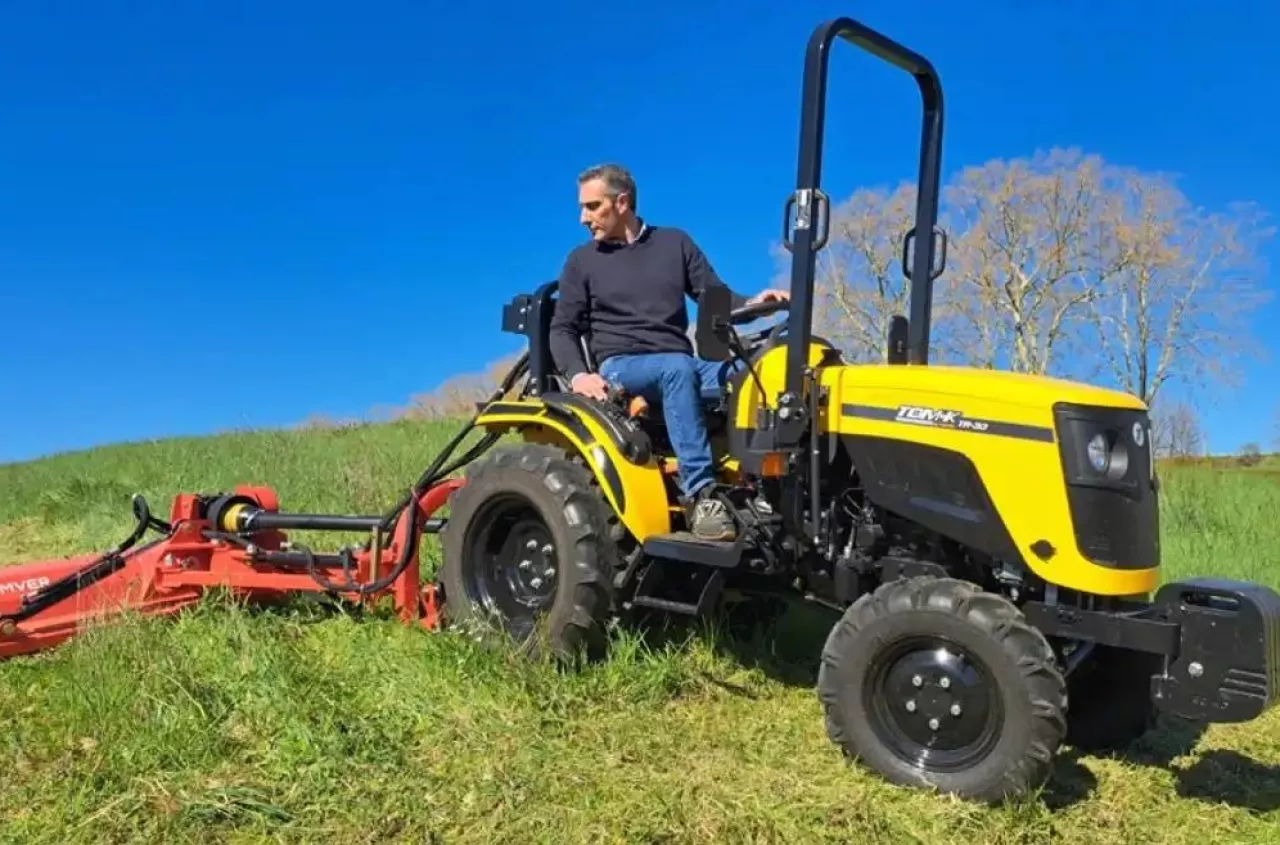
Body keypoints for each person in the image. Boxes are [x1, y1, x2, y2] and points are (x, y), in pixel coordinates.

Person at [548, 163, 789, 541]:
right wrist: (579, 376)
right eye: (583, 208)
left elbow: (717, 301)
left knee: (758, 370)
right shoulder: (582, 261)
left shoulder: (674, 243)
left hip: (681, 365)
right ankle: (702, 497)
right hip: (621, 367)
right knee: (677, 369)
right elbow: (562, 329)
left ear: (622, 202)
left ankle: (767, 488)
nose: (583, 218)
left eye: (592, 206)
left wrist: (757, 302)